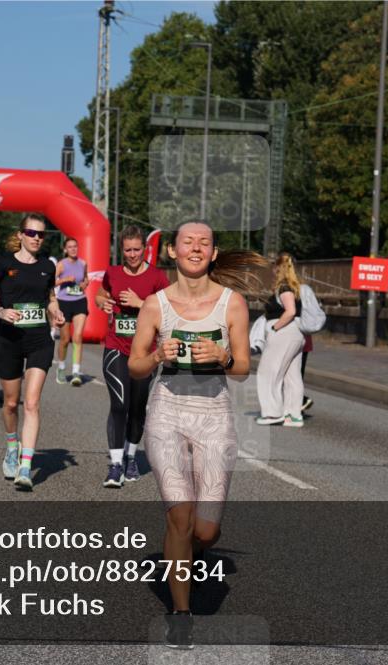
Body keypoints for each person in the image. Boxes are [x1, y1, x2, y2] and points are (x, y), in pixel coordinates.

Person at [128, 220, 259, 648]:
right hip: (167, 411)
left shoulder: (232, 304)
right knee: (179, 517)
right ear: (172, 250)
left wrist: (222, 356)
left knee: (205, 531)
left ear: (214, 253)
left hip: (213, 415)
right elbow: (135, 366)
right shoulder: (155, 305)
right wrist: (156, 355)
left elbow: (242, 369)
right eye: (188, 242)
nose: (196, 248)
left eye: (204, 242)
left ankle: (187, 552)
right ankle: (180, 613)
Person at [0, 214, 65, 490]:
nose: (36, 238)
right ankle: (12, 446)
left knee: (32, 403)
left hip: (39, 340)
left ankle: (25, 467)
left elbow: (50, 298)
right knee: (12, 403)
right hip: (10, 339)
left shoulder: (47, 266)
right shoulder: (3, 263)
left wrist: (56, 311)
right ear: (21, 235)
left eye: (41, 234)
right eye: (31, 233)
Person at [94, 225, 170, 487]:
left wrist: (140, 303)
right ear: (122, 250)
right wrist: (101, 302)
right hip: (116, 346)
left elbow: (169, 310)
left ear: (144, 249)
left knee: (137, 408)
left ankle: (130, 457)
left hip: (146, 352)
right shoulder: (113, 273)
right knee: (119, 405)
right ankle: (115, 465)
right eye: (128, 250)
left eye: (137, 249)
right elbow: (101, 293)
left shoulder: (157, 277)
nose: (133, 254)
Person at [256, 252, 306, 427]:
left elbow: (290, 311)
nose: (273, 271)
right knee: (292, 376)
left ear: (279, 268)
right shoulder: (296, 288)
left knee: (267, 372)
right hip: (297, 333)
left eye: (274, 267)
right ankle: (293, 415)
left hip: (284, 332)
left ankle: (272, 413)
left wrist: (274, 328)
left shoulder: (284, 288)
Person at [54, 237, 88, 386]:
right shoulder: (61, 265)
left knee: (78, 336)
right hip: (64, 303)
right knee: (65, 339)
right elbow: (51, 282)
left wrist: (85, 284)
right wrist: (64, 279)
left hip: (80, 301)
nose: (73, 249)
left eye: (75, 246)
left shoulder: (83, 263)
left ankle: (76, 372)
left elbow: (86, 279)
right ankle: (61, 368)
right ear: (65, 249)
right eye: (70, 247)